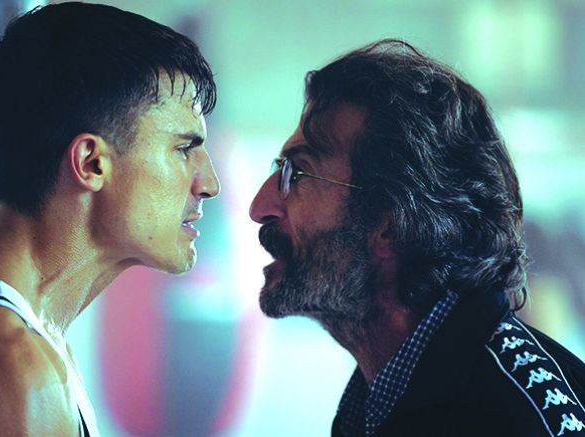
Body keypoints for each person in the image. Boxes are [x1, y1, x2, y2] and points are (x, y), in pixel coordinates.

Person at [0, 2, 219, 436]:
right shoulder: (5, 368)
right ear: (91, 163)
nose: (209, 184)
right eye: (183, 149)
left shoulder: (8, 325)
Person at [250, 39, 585, 436]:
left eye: (298, 173)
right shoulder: (389, 396)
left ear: (390, 225)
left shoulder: (511, 419)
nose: (260, 206)